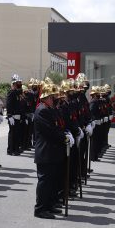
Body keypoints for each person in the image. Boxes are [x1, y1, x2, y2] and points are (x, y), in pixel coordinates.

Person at [34, 83, 74, 219]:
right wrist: (64, 137)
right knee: (45, 181)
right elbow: (50, 131)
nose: (54, 99)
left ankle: (49, 205)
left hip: (53, 151)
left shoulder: (50, 109)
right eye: (51, 97)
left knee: (52, 181)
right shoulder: (42, 110)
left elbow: (59, 125)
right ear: (45, 98)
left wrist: (66, 133)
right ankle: (40, 209)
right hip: (46, 151)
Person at [6, 74, 23, 156]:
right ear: (14, 83)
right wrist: (9, 115)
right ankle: (10, 150)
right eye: (18, 82)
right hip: (12, 116)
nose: (20, 84)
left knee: (17, 133)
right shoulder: (11, 92)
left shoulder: (17, 93)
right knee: (12, 134)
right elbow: (9, 104)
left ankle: (15, 148)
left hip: (17, 116)